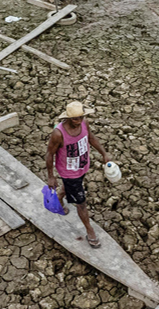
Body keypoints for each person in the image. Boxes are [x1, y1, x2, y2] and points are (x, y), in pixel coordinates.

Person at [46, 101, 111, 248]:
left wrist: (104, 153)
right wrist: (51, 176)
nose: (79, 121)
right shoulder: (58, 133)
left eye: (81, 117)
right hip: (69, 173)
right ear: (68, 118)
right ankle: (90, 230)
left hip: (82, 166)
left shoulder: (84, 124)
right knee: (81, 202)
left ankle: (59, 198)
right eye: (75, 118)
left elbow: (91, 138)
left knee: (71, 189)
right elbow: (50, 153)